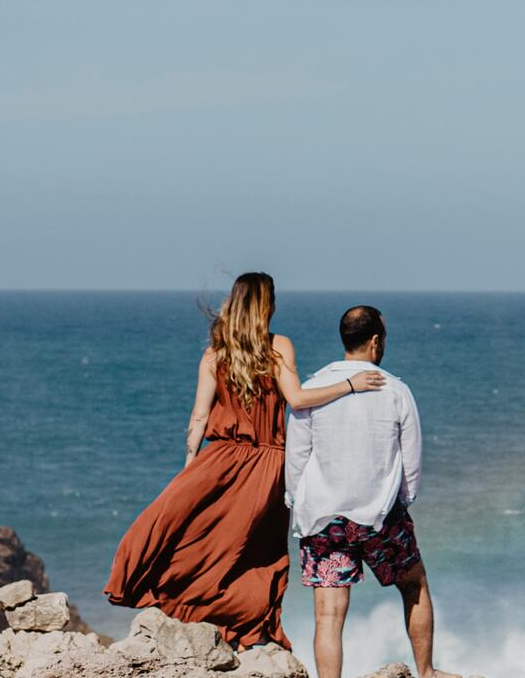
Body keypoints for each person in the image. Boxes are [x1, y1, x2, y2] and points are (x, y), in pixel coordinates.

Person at [104, 273, 383, 649]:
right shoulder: (278, 346)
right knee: (253, 551)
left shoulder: (214, 354)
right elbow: (298, 399)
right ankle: (240, 625)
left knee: (202, 539)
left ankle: (199, 612)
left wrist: (189, 471)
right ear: (265, 306)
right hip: (267, 465)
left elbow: (198, 419)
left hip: (218, 458)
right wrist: (350, 385)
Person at [285, 305, 455, 678]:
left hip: (324, 517)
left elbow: (296, 457)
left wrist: (298, 500)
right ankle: (426, 674)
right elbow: (410, 459)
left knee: (328, 613)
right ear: (376, 341)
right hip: (381, 514)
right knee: (414, 585)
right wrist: (405, 501)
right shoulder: (395, 390)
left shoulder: (314, 388)